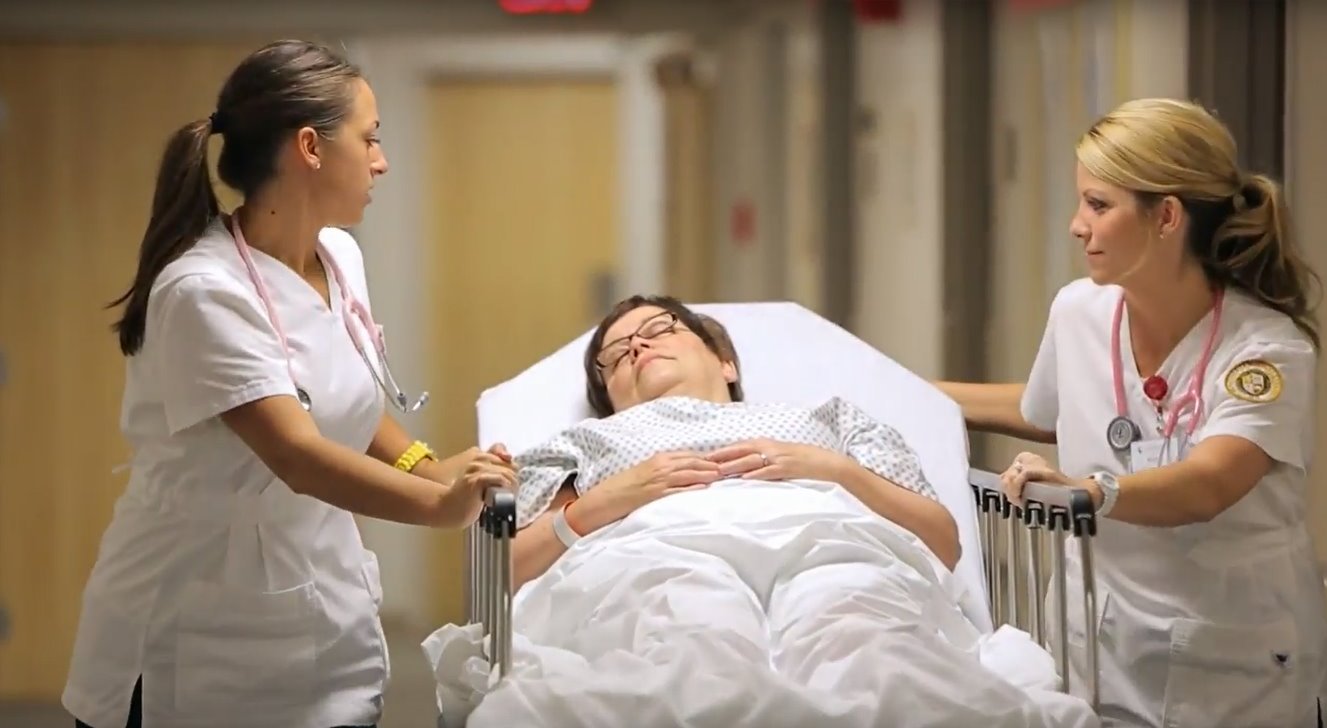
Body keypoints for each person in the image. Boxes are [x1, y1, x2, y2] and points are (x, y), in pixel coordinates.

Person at [62, 40, 515, 728]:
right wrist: (437, 509)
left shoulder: (338, 256)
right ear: (309, 147)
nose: (380, 160)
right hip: (190, 636)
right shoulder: (203, 291)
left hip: (319, 613)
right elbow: (297, 454)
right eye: (369, 138)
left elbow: (346, 400)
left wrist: (426, 467)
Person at [938, 98, 1326, 727]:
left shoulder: (1267, 350)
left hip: (1234, 662)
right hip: (1099, 636)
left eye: (1098, 204)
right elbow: (1044, 409)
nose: (1076, 225)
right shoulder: (1079, 311)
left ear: (1166, 216)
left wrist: (1091, 491)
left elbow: (1211, 482)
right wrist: (900, 390)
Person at [509, 294, 960, 589]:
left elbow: (943, 542)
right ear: (611, 401)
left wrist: (834, 470)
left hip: (831, 564)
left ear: (726, 362)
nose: (637, 349)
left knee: (856, 633)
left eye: (658, 330)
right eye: (615, 355)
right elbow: (505, 571)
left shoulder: (829, 420)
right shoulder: (590, 442)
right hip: (659, 570)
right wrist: (598, 505)